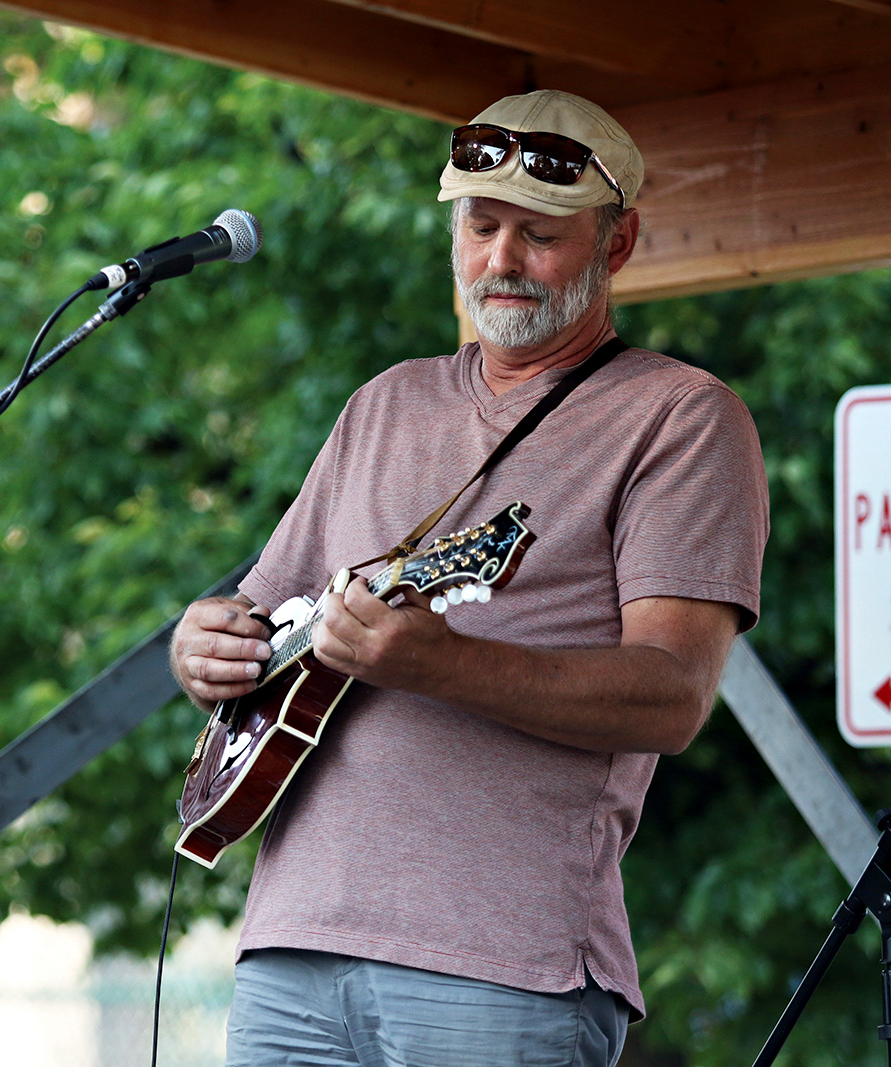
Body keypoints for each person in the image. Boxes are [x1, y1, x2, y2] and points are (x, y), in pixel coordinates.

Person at [170, 90, 768, 1066]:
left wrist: (439, 661)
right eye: (481, 226)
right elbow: (263, 614)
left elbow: (671, 695)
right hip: (289, 939)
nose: (499, 259)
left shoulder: (679, 416)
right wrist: (203, 646)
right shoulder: (384, 402)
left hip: (501, 960)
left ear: (614, 248)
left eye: (539, 235)